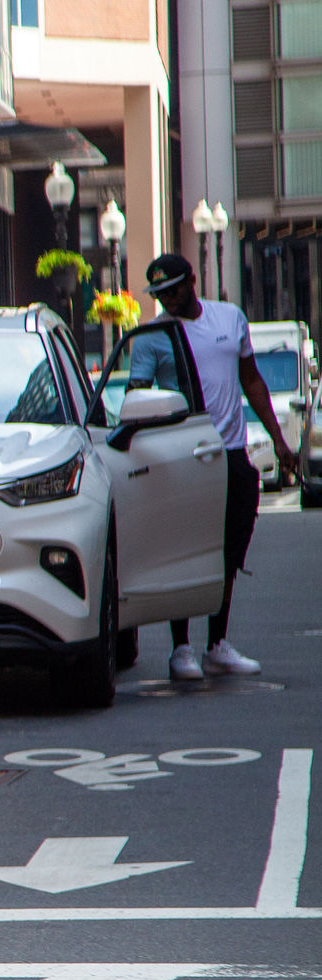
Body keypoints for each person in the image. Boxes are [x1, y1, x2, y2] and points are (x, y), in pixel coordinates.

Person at [141, 252, 297, 680]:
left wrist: (280, 441)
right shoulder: (153, 336)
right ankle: (181, 648)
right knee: (184, 551)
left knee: (228, 553)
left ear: (192, 280)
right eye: (159, 294)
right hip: (183, 456)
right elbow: (138, 397)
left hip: (230, 454)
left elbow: (251, 379)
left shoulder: (230, 319)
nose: (167, 300)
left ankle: (217, 644)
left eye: (172, 290)